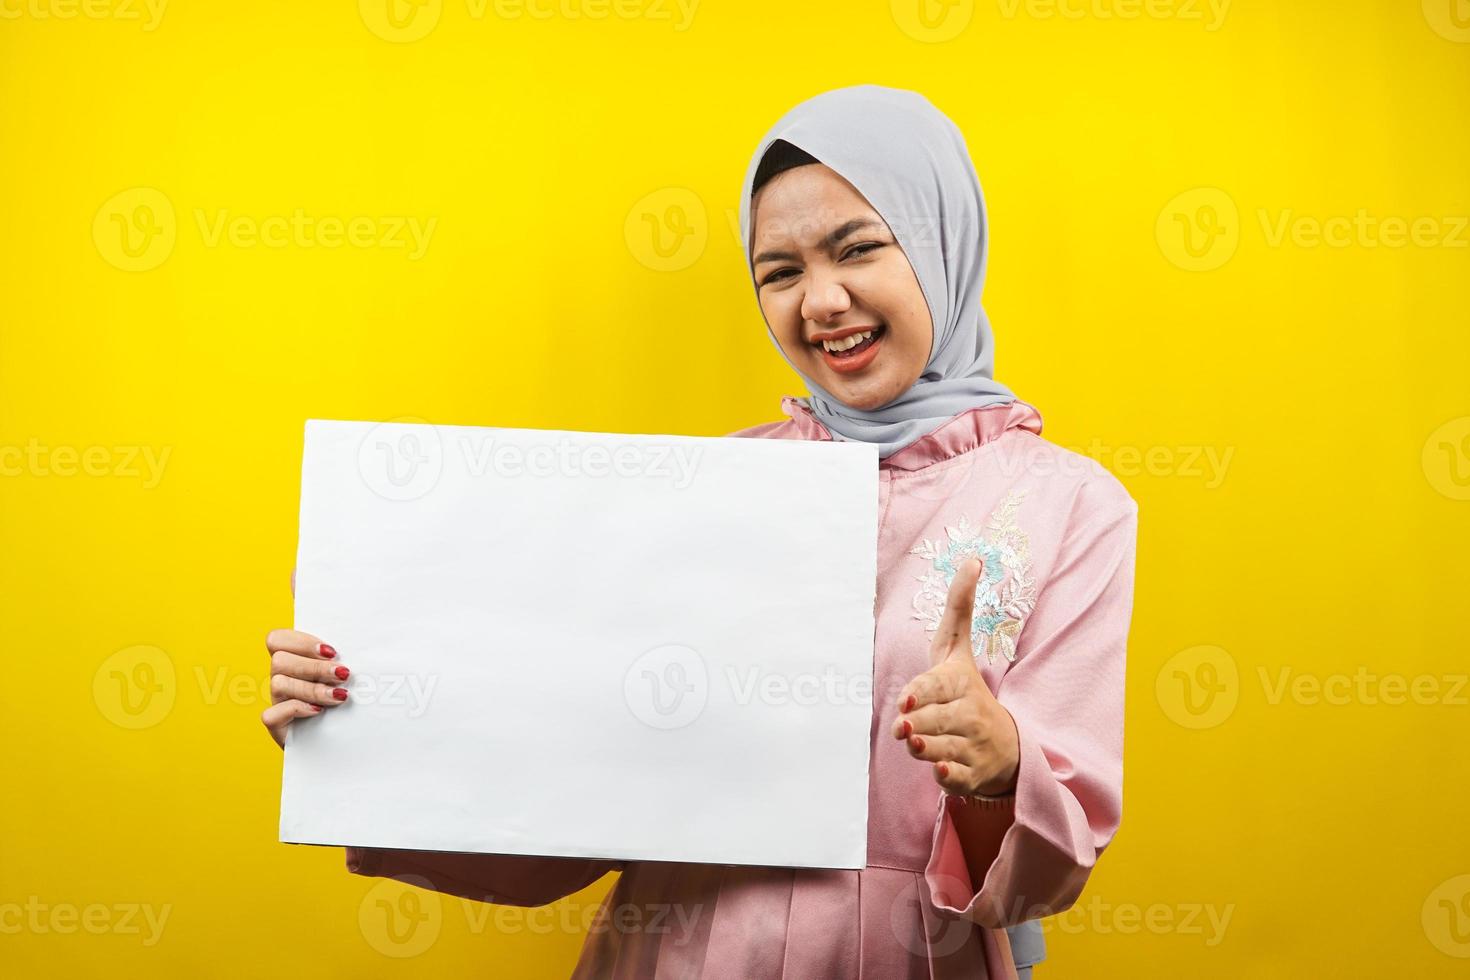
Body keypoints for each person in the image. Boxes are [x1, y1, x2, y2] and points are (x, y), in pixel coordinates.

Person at [261, 84, 1137, 979]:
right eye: (781, 271)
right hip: (678, 954)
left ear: (944, 243)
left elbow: (1047, 867)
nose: (823, 300)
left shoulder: (1068, 504)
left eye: (859, 249)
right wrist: (370, 724)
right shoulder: (705, 489)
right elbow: (558, 793)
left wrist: (999, 768)